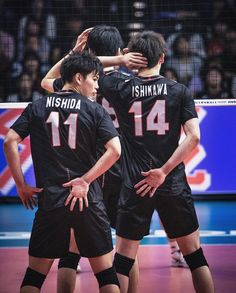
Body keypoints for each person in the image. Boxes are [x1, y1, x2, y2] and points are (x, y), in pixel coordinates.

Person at [98, 31, 214, 293]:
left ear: (135, 59)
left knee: (123, 262)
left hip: (136, 184)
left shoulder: (120, 87)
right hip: (171, 182)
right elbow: (194, 137)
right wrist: (163, 171)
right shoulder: (179, 91)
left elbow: (86, 64)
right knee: (195, 257)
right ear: (162, 57)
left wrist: (120, 61)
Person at [4, 51, 122, 293]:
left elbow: (9, 141)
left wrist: (21, 185)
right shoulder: (94, 110)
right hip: (87, 201)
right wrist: (86, 180)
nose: (97, 86)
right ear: (78, 78)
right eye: (94, 79)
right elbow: (115, 150)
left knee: (34, 277)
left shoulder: (37, 106)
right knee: (107, 277)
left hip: (51, 202)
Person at [41, 25, 147, 293]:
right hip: (119, 166)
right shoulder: (129, 85)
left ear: (89, 51)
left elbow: (46, 82)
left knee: (71, 248)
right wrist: (123, 61)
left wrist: (74, 54)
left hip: (84, 169)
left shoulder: (79, 83)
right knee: (126, 246)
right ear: (120, 51)